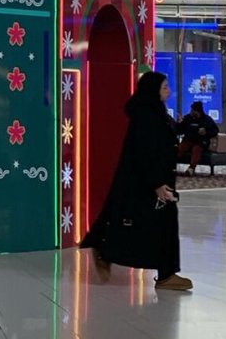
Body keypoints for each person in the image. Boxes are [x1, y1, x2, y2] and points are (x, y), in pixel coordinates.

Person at [80, 71, 192, 292]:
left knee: (154, 226)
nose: (168, 91)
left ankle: (163, 272)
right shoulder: (146, 116)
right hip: (147, 183)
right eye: (164, 87)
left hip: (152, 181)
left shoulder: (154, 112)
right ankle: (161, 272)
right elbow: (145, 152)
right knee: (155, 224)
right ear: (153, 90)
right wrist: (157, 183)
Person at [176, 101, 219, 176]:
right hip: (188, 140)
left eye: (193, 110)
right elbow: (179, 130)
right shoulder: (187, 118)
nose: (191, 112)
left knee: (197, 149)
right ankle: (170, 166)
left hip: (200, 141)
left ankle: (191, 169)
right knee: (180, 148)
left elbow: (215, 130)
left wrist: (206, 132)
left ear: (198, 111)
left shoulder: (207, 119)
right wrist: (179, 123)